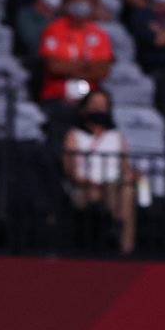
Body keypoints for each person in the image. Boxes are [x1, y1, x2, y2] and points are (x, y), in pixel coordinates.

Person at [63, 92, 136, 255]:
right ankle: (114, 225)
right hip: (84, 188)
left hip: (113, 187)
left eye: (103, 106)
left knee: (128, 189)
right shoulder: (74, 135)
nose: (98, 109)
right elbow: (70, 173)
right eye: (94, 105)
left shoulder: (116, 137)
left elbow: (125, 168)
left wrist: (132, 175)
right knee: (108, 191)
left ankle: (126, 249)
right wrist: (93, 183)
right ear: (83, 109)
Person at [38, 0, 115, 102]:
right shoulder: (53, 30)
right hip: (58, 95)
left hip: (90, 97)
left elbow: (103, 70)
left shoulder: (99, 33)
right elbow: (54, 67)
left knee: (100, 104)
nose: (79, 3)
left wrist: (69, 66)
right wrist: (86, 65)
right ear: (67, 3)